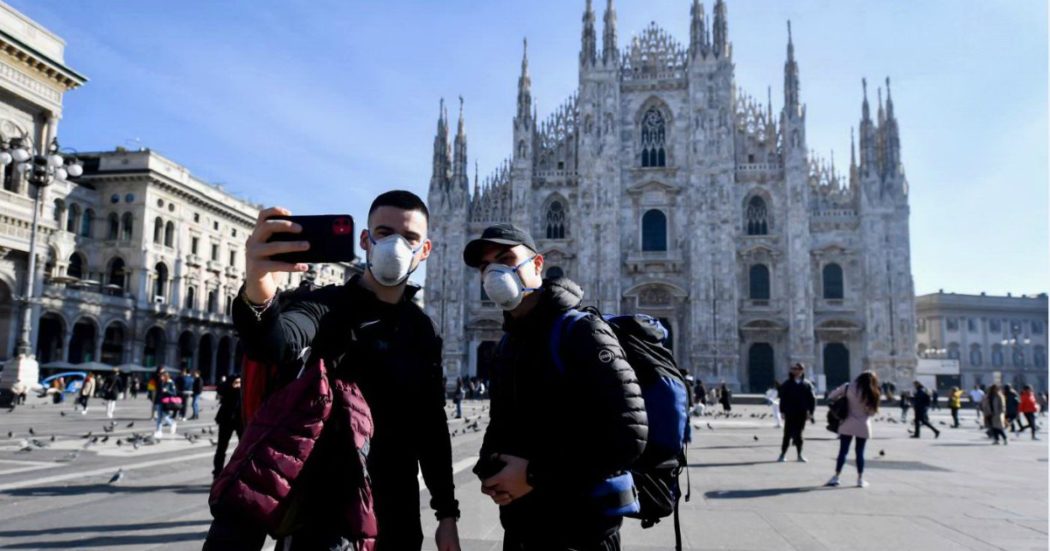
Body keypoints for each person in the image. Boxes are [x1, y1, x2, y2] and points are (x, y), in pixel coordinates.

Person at [205, 192, 461, 551]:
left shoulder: (423, 330)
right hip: (326, 514)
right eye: (384, 233)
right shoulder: (326, 306)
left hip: (397, 513)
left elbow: (431, 428)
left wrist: (446, 515)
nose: (395, 246)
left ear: (425, 250)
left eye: (409, 239)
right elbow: (275, 342)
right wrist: (258, 285)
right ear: (365, 240)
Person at [462, 223, 647, 551]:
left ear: (537, 264)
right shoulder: (509, 344)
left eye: (506, 259)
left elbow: (628, 436)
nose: (495, 274)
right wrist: (489, 466)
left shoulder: (583, 332)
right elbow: (502, 423)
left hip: (582, 531)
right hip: (522, 526)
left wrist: (533, 474)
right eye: (486, 268)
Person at [825, 370, 881, 488]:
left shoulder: (847, 387)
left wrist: (842, 405)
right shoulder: (872, 391)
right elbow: (871, 413)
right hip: (863, 425)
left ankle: (836, 476)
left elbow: (831, 397)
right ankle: (860, 479)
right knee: (860, 452)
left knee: (843, 451)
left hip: (847, 423)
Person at [777, 363, 815, 463]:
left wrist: (811, 412)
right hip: (790, 412)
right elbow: (783, 398)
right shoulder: (787, 384)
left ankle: (799, 455)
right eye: (794, 369)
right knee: (787, 434)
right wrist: (782, 411)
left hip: (801, 412)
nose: (795, 371)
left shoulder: (807, 384)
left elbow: (812, 399)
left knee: (799, 434)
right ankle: (782, 454)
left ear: (802, 371)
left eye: (798, 369)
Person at [212, 375, 243, 478]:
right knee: (221, 448)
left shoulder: (242, 393)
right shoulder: (227, 390)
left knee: (243, 448)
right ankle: (217, 472)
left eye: (240, 383)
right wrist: (229, 385)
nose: (238, 385)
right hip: (226, 421)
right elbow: (220, 388)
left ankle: (240, 471)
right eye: (236, 383)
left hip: (240, 422)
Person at [154, 371, 178, 438]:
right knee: (159, 417)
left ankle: (172, 423)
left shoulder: (171, 382)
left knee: (164, 416)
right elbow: (159, 392)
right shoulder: (161, 382)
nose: (161, 378)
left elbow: (174, 393)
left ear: (166, 376)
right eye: (161, 376)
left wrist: (167, 391)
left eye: (162, 376)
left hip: (166, 402)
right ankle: (159, 431)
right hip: (160, 401)